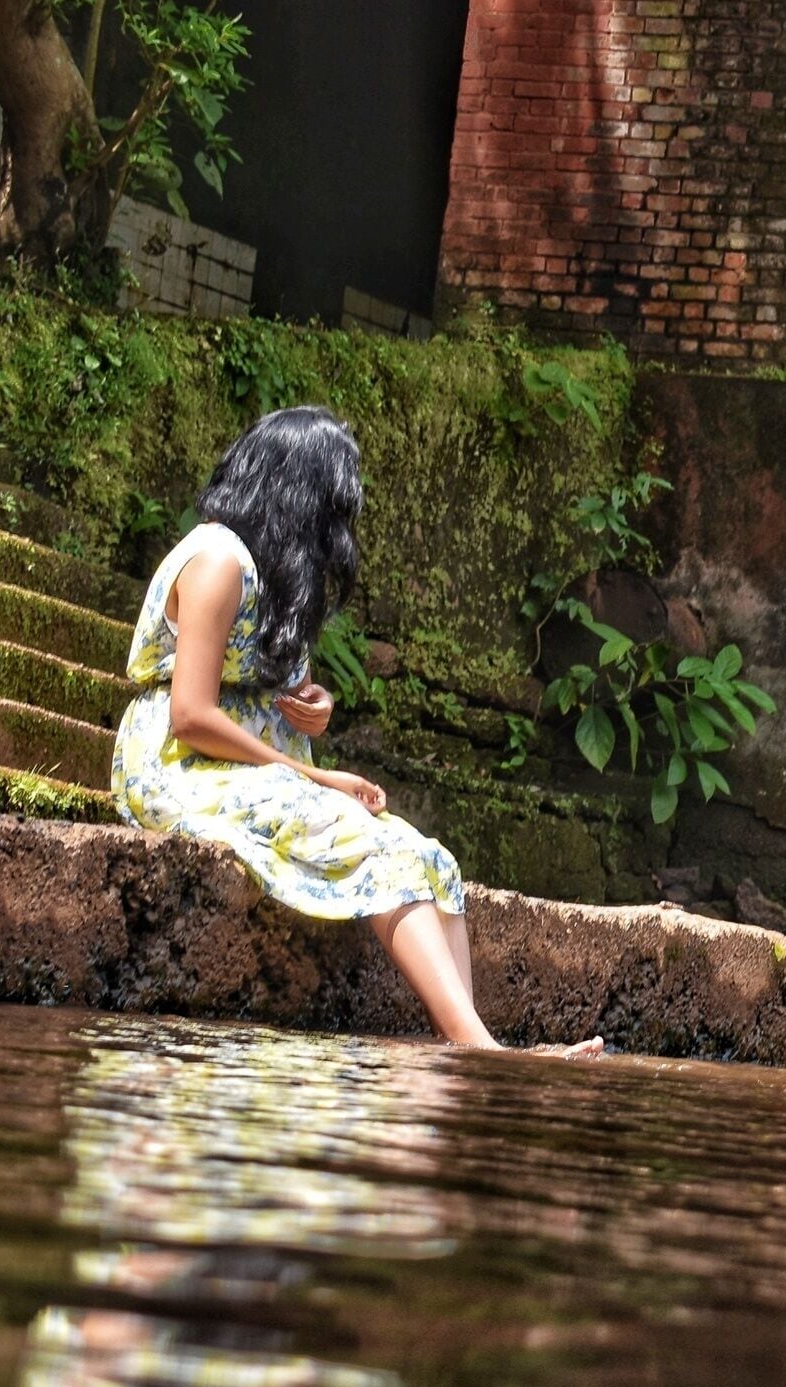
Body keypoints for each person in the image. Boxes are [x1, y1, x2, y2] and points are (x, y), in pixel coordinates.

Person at [110, 406, 599, 1054]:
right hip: (176, 768)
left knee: (427, 856)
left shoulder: (262, 566)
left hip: (240, 765)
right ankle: (482, 1051)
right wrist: (314, 774)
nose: (338, 530)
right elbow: (192, 714)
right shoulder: (217, 561)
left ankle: (469, 1038)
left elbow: (259, 678)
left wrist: (308, 700)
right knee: (362, 839)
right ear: (300, 496)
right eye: (334, 509)